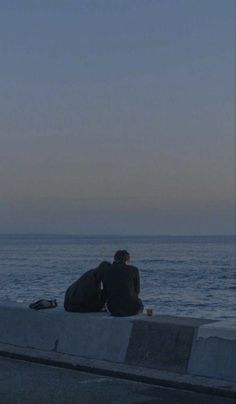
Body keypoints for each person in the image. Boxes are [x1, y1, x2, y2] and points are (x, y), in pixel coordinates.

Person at [101, 250, 143, 316]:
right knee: (139, 302)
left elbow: (106, 291)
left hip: (113, 309)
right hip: (132, 309)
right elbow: (137, 290)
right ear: (128, 259)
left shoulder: (106, 270)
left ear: (115, 258)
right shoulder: (134, 269)